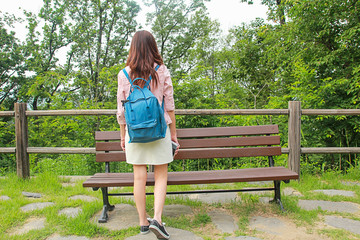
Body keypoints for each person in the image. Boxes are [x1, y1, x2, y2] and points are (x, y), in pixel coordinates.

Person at [116, 30, 179, 240]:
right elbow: (169, 105)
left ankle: (143, 222)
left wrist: (122, 135)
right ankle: (158, 219)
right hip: (159, 129)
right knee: (161, 173)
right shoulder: (161, 71)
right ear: (153, 46)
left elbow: (121, 111)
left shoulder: (124, 74)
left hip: (134, 133)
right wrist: (174, 135)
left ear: (133, 48)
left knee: (139, 176)